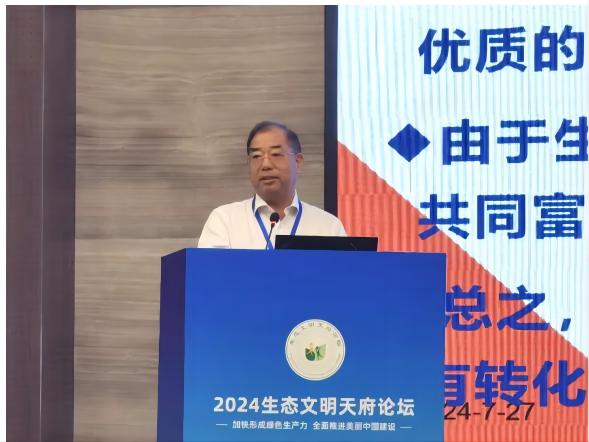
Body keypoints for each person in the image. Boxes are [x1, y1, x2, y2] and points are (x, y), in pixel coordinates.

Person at [198, 121, 347, 249]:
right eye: (256, 156)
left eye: (276, 154)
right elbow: (209, 272)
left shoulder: (328, 227)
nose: (265, 165)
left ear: (298, 162)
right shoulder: (224, 221)